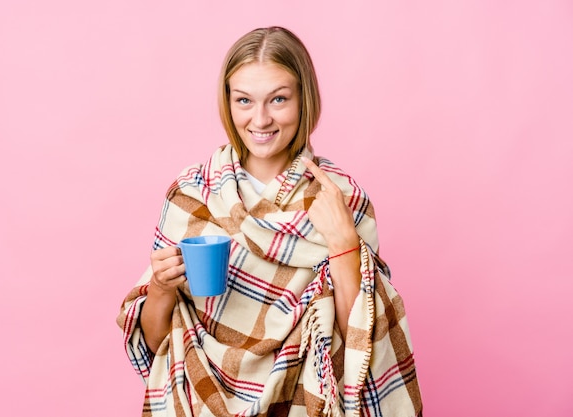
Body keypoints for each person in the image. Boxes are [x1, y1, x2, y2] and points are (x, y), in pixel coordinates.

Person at [117, 26, 423, 417]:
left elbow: (363, 344)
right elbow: (160, 344)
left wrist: (343, 240)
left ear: (304, 100)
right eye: (244, 100)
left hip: (303, 404)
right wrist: (160, 287)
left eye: (278, 99)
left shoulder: (339, 197)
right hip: (196, 403)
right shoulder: (191, 194)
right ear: (227, 103)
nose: (259, 119)